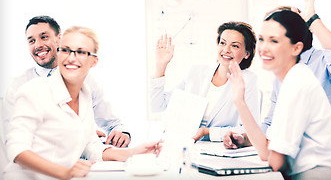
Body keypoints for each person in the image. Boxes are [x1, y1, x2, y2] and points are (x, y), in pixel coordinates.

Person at [224, 0, 331, 180]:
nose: (264, 48)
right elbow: (270, 127)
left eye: (275, 38)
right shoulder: (286, 77)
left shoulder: (317, 66)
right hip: (301, 166)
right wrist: (245, 139)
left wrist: (311, 19)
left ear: (296, 42)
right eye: (263, 38)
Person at [4, 26, 160, 180]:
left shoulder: (85, 95)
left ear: (93, 61)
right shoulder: (33, 90)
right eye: (65, 50)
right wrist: (64, 172)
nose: (71, 57)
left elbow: (92, 146)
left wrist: (133, 153)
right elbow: (16, 149)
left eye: (80, 52)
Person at [2, 16, 131, 148]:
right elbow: (12, 139)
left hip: (87, 162)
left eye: (44, 37)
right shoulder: (18, 85)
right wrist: (79, 136)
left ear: (59, 39)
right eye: (31, 40)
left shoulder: (85, 79)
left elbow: (111, 122)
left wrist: (122, 133)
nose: (38, 45)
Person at [150, 22, 260, 142]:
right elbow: (157, 106)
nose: (226, 50)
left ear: (247, 54)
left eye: (235, 46)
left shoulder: (248, 80)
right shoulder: (196, 72)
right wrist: (160, 65)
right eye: (222, 43)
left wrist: (207, 132)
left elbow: (251, 130)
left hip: (219, 151)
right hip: (185, 146)